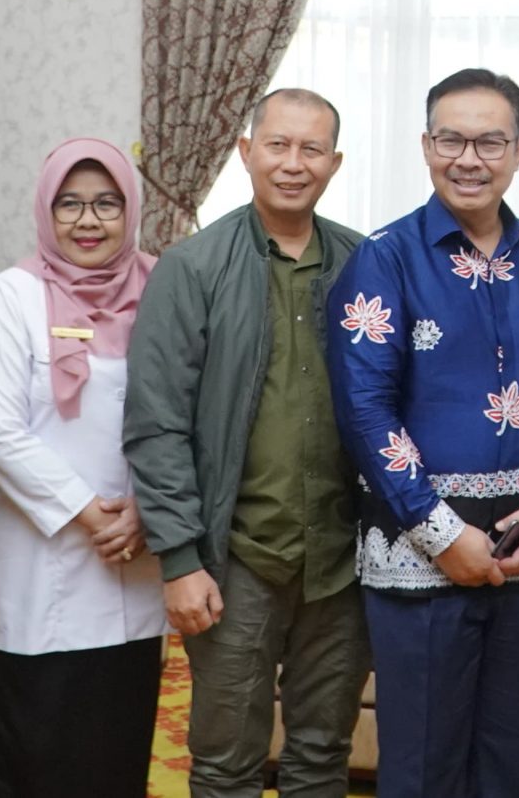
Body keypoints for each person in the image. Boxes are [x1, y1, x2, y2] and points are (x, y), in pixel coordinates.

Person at [325, 68, 519, 798]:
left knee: (515, 762)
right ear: (425, 145)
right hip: (419, 558)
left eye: (489, 141)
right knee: (423, 767)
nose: (469, 158)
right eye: (451, 138)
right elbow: (365, 411)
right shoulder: (384, 259)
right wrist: (439, 532)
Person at [123, 90, 370, 798]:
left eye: (311, 150)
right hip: (234, 565)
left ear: (335, 162)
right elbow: (156, 421)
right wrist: (179, 558)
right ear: (246, 152)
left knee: (323, 758)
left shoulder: (365, 264)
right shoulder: (193, 267)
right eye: (278, 145)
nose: (293, 164)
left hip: (342, 564)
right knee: (226, 763)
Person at [0, 139, 165, 798]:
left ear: (130, 209)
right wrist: (90, 512)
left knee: (114, 752)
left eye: (107, 203)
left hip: (133, 562)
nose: (89, 221)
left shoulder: (164, 289)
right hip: (39, 567)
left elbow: (183, 416)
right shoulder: (12, 296)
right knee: (34, 754)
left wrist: (146, 509)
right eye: (70, 204)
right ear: (46, 211)